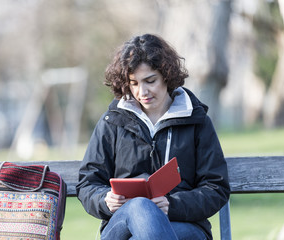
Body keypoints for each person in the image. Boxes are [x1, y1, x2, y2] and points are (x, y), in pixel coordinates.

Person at [76, 33, 230, 240]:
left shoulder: (196, 121)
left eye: (150, 81)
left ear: (166, 75)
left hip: (184, 225)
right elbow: (88, 183)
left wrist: (172, 205)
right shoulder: (111, 122)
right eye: (134, 83)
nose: (142, 91)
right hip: (121, 227)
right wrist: (105, 200)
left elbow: (215, 187)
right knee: (139, 205)